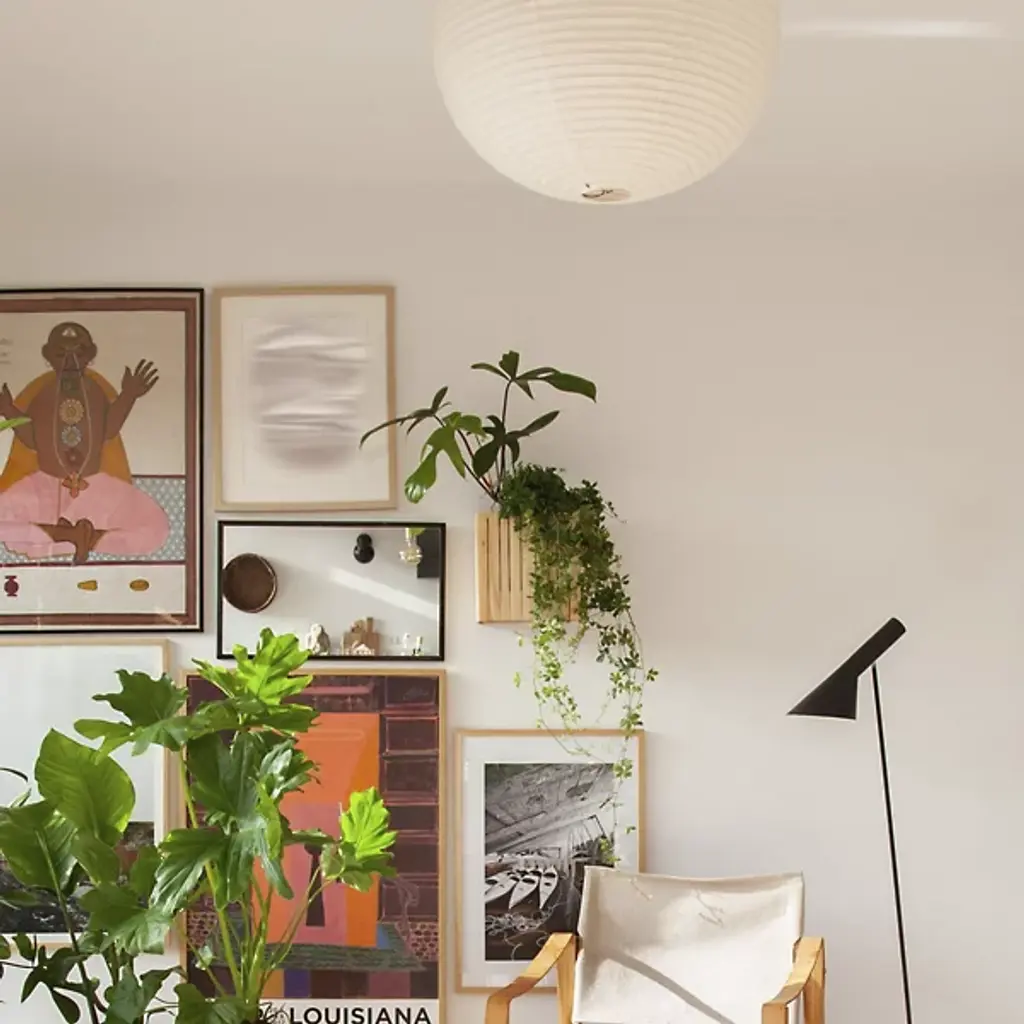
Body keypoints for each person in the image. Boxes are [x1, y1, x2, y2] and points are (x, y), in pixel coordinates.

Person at [0, 322, 170, 564]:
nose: (70, 360)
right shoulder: (43, 393)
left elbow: (109, 430)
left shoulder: (95, 391)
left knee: (156, 526)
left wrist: (129, 395)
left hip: (94, 487)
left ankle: (77, 538)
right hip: (44, 488)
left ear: (91, 355)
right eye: (61, 353)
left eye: (78, 353)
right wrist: (8, 409)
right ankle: (71, 536)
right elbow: (32, 439)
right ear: (48, 355)